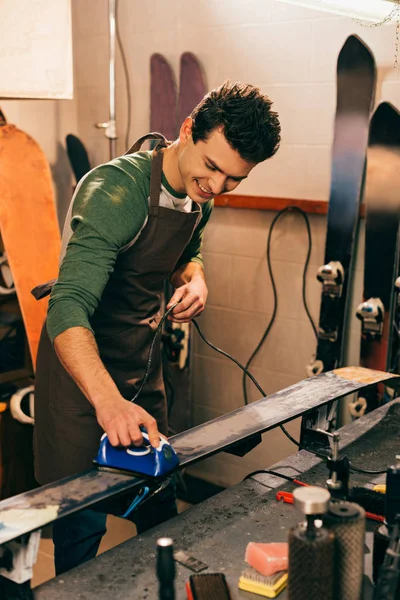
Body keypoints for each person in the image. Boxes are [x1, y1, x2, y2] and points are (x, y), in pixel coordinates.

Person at [33, 80, 281, 574]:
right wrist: (106, 403)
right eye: (212, 167)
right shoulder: (113, 191)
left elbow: (187, 255)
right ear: (188, 130)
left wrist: (197, 279)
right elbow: (67, 308)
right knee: (82, 531)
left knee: (160, 514)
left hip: (142, 373)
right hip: (82, 385)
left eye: (234, 180)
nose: (216, 187)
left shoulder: (200, 196)